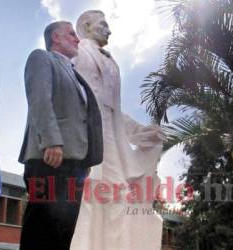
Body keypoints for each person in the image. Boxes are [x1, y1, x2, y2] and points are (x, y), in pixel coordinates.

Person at [70, 10, 165, 250]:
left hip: (110, 141)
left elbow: (114, 110)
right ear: (87, 26)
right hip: (85, 138)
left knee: (118, 198)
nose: (109, 30)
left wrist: (141, 132)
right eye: (103, 24)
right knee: (86, 198)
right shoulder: (78, 53)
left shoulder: (112, 62)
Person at [18, 21, 103, 250]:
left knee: (62, 236)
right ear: (56, 37)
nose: (77, 39)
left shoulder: (74, 74)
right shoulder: (42, 58)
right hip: (50, 159)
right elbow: (40, 100)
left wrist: (86, 160)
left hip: (75, 165)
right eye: (72, 34)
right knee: (40, 231)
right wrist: (51, 141)